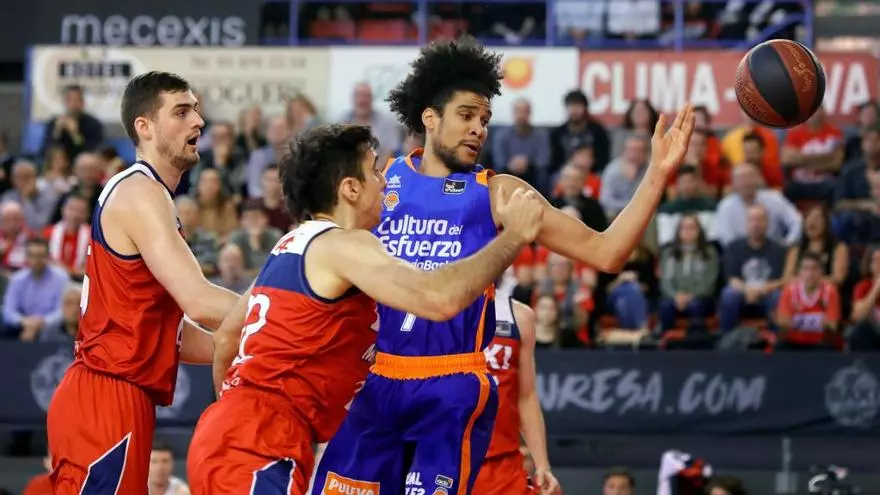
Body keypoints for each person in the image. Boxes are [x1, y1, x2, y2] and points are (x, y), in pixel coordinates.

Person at [313, 36, 694, 495]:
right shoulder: (382, 183)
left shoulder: (499, 193)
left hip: (449, 381)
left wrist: (657, 174)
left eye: (485, 119)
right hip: (375, 380)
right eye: (466, 115)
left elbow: (606, 252)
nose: (479, 129)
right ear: (430, 118)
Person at [188, 123, 544, 494]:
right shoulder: (346, 245)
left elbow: (227, 339)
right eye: (374, 171)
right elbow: (440, 299)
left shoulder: (291, 243)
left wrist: (235, 417)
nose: (385, 181)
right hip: (261, 436)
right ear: (351, 189)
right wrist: (513, 237)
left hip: (229, 431)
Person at [46, 72, 240, 495]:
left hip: (112, 395)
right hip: (105, 396)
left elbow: (166, 328)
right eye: (182, 112)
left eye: (197, 111)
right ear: (144, 126)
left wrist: (240, 344)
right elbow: (199, 300)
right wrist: (290, 311)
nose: (198, 121)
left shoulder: (146, 193)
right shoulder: (140, 192)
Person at [473, 284, 560, 494]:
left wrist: (542, 465)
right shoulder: (430, 307)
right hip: (443, 457)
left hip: (501, 463)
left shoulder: (518, 315)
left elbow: (527, 396)